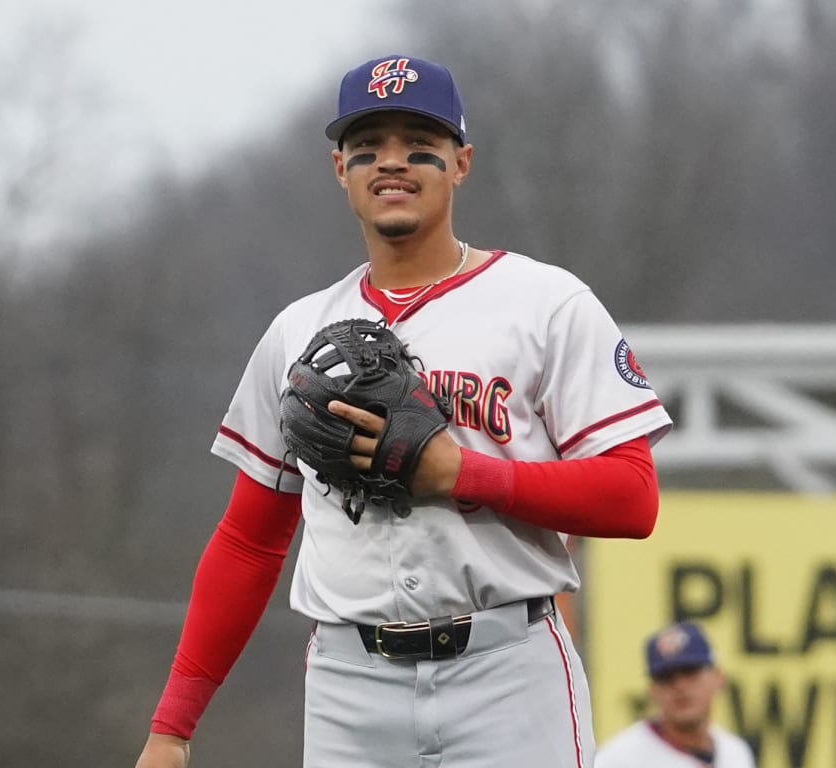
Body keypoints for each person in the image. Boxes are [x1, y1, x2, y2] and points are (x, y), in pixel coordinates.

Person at [134, 54, 673, 768]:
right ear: (340, 169)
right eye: (369, 146)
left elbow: (633, 499)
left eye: (418, 141)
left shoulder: (547, 304)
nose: (392, 162)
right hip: (350, 685)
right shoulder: (299, 333)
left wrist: (463, 474)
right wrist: (173, 725)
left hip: (508, 672)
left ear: (461, 162)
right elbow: (250, 540)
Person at [594, 622, 756, 768]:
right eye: (666, 678)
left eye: (690, 672)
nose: (680, 687)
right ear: (652, 691)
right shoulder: (617, 760)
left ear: (718, 678)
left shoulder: (735, 752)